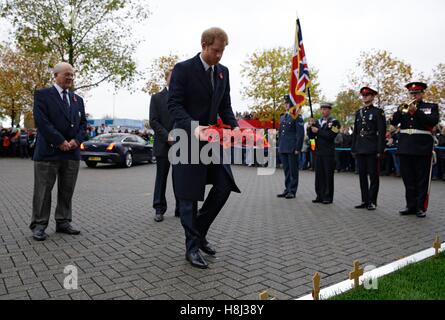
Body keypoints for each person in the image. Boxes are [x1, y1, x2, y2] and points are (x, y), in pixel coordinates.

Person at [168, 27, 241, 269]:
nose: (219, 56)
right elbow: (174, 105)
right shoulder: (183, 69)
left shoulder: (223, 73)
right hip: (187, 140)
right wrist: (193, 126)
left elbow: (225, 105)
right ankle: (192, 248)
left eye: (222, 52)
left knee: (224, 185)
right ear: (204, 44)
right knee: (189, 197)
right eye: (216, 51)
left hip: (212, 141)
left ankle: (199, 232)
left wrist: (235, 127)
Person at [30, 62, 87, 241]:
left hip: (71, 153)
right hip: (49, 152)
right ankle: (39, 225)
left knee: (67, 190)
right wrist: (60, 141)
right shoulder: (42, 95)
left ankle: (63, 221)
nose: (70, 77)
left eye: (72, 74)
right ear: (56, 75)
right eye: (66, 74)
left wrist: (75, 141)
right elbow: (42, 122)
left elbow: (84, 124)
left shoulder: (78, 99)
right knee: (43, 191)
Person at [390, 82, 439, 218]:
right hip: (405, 147)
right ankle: (410, 205)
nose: (414, 95)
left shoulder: (430, 107)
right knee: (408, 179)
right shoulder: (403, 107)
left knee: (422, 179)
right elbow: (394, 122)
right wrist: (400, 110)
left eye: (417, 93)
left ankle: (420, 207)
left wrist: (416, 111)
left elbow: (433, 121)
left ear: (422, 94)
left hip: (422, 147)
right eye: (412, 93)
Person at [149, 69, 179, 222]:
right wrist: (167, 136)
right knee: (161, 178)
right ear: (166, 78)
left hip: (180, 144)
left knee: (180, 178)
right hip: (163, 145)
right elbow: (153, 121)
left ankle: (180, 208)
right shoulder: (156, 98)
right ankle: (159, 209)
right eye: (171, 78)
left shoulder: (183, 98)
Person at [351, 87, 386, 211]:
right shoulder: (358, 112)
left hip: (372, 148)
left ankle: (372, 201)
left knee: (373, 176)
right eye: (363, 95)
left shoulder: (378, 112)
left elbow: (382, 132)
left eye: (367, 94)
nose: (364, 97)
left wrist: (380, 150)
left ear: (373, 96)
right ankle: (364, 200)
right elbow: (355, 132)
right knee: (362, 176)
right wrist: (353, 147)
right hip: (360, 147)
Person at [308, 103, 341, 204]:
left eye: (325, 109)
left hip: (328, 153)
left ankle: (328, 197)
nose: (323, 111)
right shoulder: (318, 122)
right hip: (318, 152)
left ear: (329, 110)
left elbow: (331, 136)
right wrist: (310, 128)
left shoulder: (335, 122)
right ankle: (319, 195)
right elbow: (311, 137)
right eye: (322, 109)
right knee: (319, 175)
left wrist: (318, 131)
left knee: (328, 175)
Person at [276, 95, 304, 200]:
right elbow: (280, 133)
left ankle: (292, 190)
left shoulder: (297, 116)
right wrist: (280, 146)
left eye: (288, 103)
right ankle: (287, 189)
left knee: (293, 170)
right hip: (284, 147)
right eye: (285, 103)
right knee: (286, 170)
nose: (286, 105)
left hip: (292, 148)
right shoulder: (283, 116)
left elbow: (300, 134)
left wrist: (298, 148)